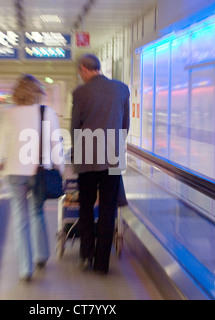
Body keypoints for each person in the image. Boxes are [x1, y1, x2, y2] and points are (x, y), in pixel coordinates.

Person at [0, 74, 64, 282]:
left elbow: (0, 145)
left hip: (14, 172)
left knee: (19, 217)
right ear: (38, 93)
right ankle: (41, 256)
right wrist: (61, 169)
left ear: (17, 93)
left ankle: (25, 269)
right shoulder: (47, 112)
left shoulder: (9, 114)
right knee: (37, 212)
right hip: (39, 171)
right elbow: (55, 144)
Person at [71, 54, 130, 274]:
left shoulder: (80, 92)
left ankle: (87, 254)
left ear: (84, 69)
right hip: (113, 157)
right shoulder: (121, 89)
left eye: (80, 72)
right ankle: (102, 263)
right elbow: (125, 125)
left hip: (87, 156)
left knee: (86, 207)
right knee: (108, 208)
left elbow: (76, 127)